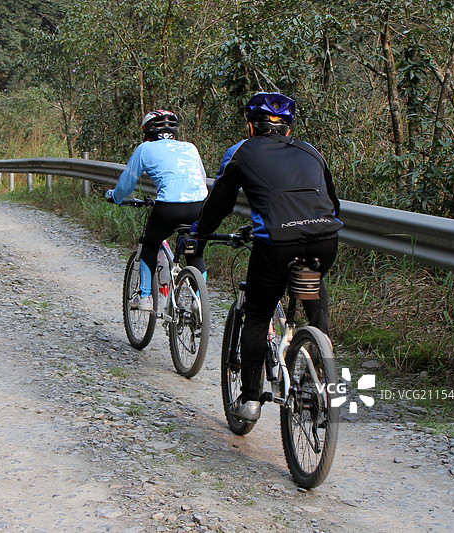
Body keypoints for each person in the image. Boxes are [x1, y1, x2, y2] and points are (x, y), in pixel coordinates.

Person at [193, 92, 342, 421]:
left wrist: (200, 231)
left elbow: (220, 204)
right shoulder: (311, 151)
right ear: (288, 130)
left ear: (250, 126)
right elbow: (333, 203)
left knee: (258, 315)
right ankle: (318, 374)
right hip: (323, 240)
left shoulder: (244, 153)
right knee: (313, 302)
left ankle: (249, 400)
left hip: (277, 245)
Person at [105, 110, 209, 311]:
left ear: (146, 133)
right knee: (195, 253)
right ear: (175, 133)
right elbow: (201, 178)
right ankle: (199, 301)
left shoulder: (145, 149)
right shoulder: (190, 148)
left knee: (150, 243)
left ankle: (144, 296)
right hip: (200, 206)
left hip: (168, 207)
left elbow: (126, 184)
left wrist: (115, 197)